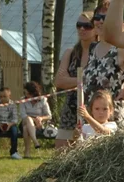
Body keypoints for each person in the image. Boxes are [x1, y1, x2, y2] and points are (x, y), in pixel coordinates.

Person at [54, 12, 99, 150]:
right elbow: (59, 81)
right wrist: (84, 79)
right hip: (70, 111)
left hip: (94, 112)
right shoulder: (70, 52)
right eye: (79, 25)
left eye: (87, 26)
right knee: (60, 154)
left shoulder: (102, 52)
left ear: (95, 28)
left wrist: (72, 80)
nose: (82, 29)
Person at [18, 81, 52, 158]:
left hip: (38, 125)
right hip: (25, 121)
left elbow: (49, 116)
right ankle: (35, 141)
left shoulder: (43, 100)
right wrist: (34, 120)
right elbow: (23, 115)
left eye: (28, 93)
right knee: (28, 119)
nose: (26, 95)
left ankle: (27, 153)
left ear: (33, 93)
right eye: (25, 93)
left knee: (26, 128)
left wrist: (41, 118)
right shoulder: (23, 100)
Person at [0, 87, 21, 159]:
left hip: (10, 124)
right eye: (1, 96)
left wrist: (9, 125)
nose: (2, 98)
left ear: (9, 96)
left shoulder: (13, 105)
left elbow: (15, 119)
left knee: (14, 131)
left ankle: (14, 152)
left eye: (4, 96)